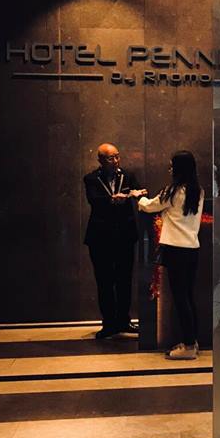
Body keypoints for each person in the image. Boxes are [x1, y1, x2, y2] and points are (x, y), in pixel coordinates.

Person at [139, 150, 204, 360]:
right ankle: (192, 341)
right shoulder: (198, 191)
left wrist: (139, 197)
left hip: (175, 250)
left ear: (178, 169)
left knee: (180, 298)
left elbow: (150, 206)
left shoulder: (173, 191)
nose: (169, 169)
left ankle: (188, 346)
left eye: (171, 165)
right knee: (188, 296)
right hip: (192, 248)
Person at [84, 143, 147, 339]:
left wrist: (136, 194)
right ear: (101, 160)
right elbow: (95, 200)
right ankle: (109, 323)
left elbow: (141, 192)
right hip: (100, 237)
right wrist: (114, 199)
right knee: (104, 281)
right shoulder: (91, 179)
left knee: (124, 280)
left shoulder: (127, 175)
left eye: (117, 156)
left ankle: (123, 320)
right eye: (111, 158)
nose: (116, 161)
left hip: (124, 236)